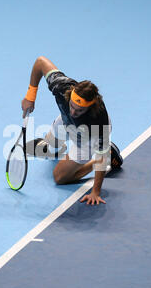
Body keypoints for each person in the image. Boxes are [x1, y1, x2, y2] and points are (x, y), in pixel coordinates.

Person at [21, 56, 122, 205]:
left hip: (86, 139)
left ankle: (108, 157)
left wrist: (95, 192)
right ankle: (51, 148)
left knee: (60, 178)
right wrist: (31, 96)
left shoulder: (99, 123)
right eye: (72, 106)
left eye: (79, 110)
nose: (74, 112)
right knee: (50, 145)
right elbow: (40, 62)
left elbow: (100, 156)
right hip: (65, 123)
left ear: (90, 107)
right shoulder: (62, 87)